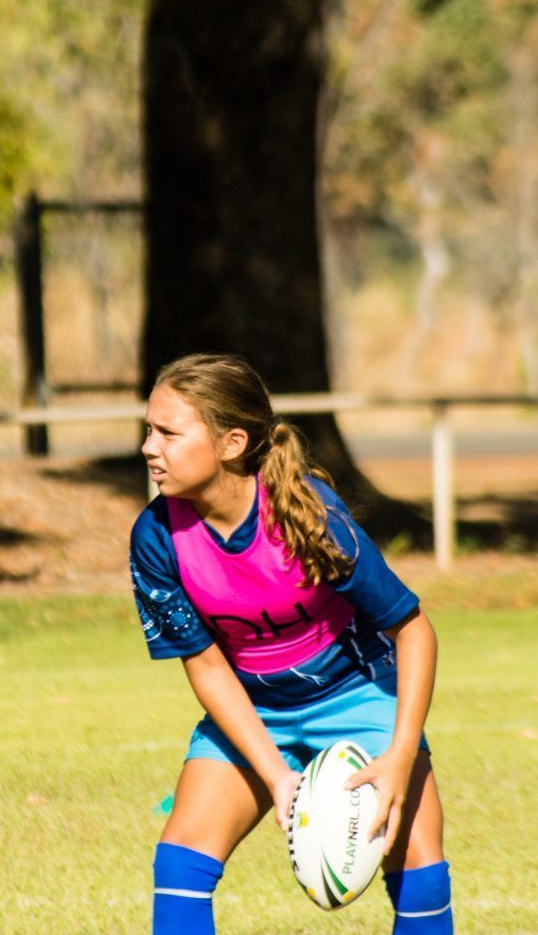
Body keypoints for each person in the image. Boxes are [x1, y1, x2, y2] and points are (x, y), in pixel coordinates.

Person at [129, 353, 450, 934]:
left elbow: (413, 630)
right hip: (255, 709)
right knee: (179, 861)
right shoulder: (156, 538)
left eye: (168, 433)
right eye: (149, 430)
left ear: (231, 443)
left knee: (420, 865)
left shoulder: (307, 515)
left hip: (357, 692)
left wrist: (401, 754)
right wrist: (276, 774)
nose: (149, 447)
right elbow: (205, 667)